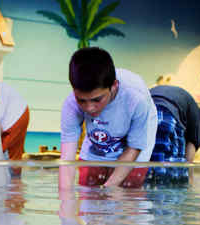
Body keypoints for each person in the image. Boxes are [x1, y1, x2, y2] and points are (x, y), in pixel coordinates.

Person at [59, 47, 158, 194]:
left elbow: (134, 147)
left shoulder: (136, 99)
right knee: (88, 196)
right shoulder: (71, 104)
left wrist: (107, 190)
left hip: (134, 144)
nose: (90, 108)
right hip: (99, 139)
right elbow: (67, 159)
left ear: (114, 86)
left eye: (97, 99)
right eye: (82, 100)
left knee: (124, 199)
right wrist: (65, 201)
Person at [145, 85, 200, 185]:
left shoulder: (187, 102)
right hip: (167, 113)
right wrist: (189, 180)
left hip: (145, 112)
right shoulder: (197, 118)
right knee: (174, 176)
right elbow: (191, 149)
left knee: (148, 167)